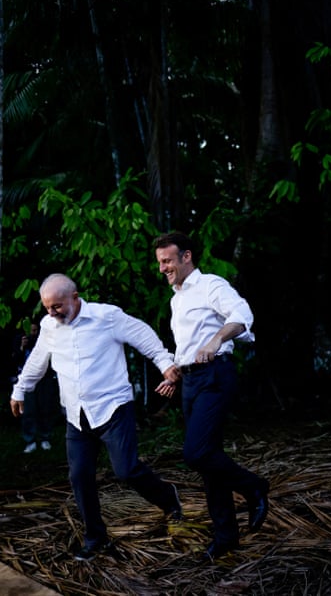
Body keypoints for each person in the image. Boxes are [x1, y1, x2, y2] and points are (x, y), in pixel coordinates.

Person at [10, 273, 183, 562]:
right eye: (47, 307)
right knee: (79, 477)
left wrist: (165, 363)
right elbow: (38, 360)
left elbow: (142, 336)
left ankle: (168, 498)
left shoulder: (107, 317)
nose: (52, 313)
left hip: (113, 408)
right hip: (76, 415)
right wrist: (20, 390)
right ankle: (96, 538)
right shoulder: (49, 326)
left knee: (126, 470)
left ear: (75, 297)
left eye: (58, 306)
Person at [153, 231, 270, 562]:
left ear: (186, 257)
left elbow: (242, 316)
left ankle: (254, 487)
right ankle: (226, 537)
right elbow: (189, 344)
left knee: (196, 453)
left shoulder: (211, 285)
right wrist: (176, 371)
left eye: (168, 261)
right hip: (190, 381)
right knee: (208, 461)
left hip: (216, 375)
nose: (163, 268)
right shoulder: (177, 298)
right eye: (160, 262)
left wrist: (217, 339)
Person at [11, 322, 59, 453]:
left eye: (35, 330)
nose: (33, 333)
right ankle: (30, 440)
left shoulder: (43, 340)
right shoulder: (20, 341)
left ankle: (45, 437)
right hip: (25, 382)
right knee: (27, 411)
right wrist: (21, 347)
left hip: (45, 380)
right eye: (30, 330)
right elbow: (15, 360)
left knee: (46, 409)